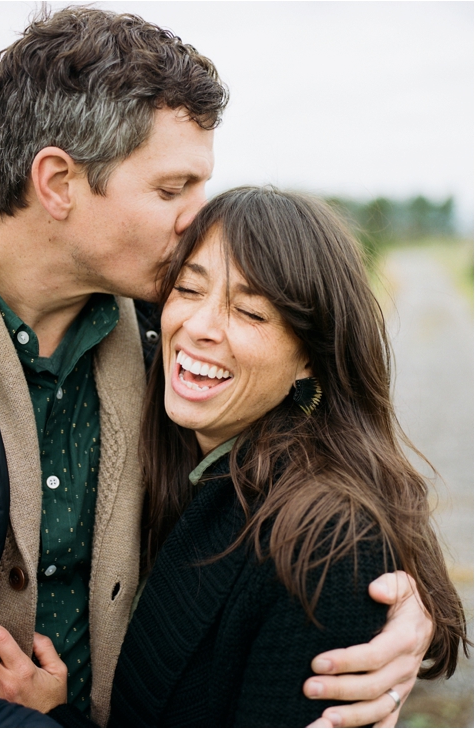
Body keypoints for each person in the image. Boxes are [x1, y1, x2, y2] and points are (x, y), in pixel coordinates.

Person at [0, 7, 434, 727]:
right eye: (173, 190)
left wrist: (396, 606)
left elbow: (316, 469)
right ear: (58, 183)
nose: (200, 219)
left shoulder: (162, 324)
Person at [107, 186, 469, 725]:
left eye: (250, 312)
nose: (201, 327)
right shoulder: (197, 470)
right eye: (188, 288)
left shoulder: (325, 545)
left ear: (310, 358)